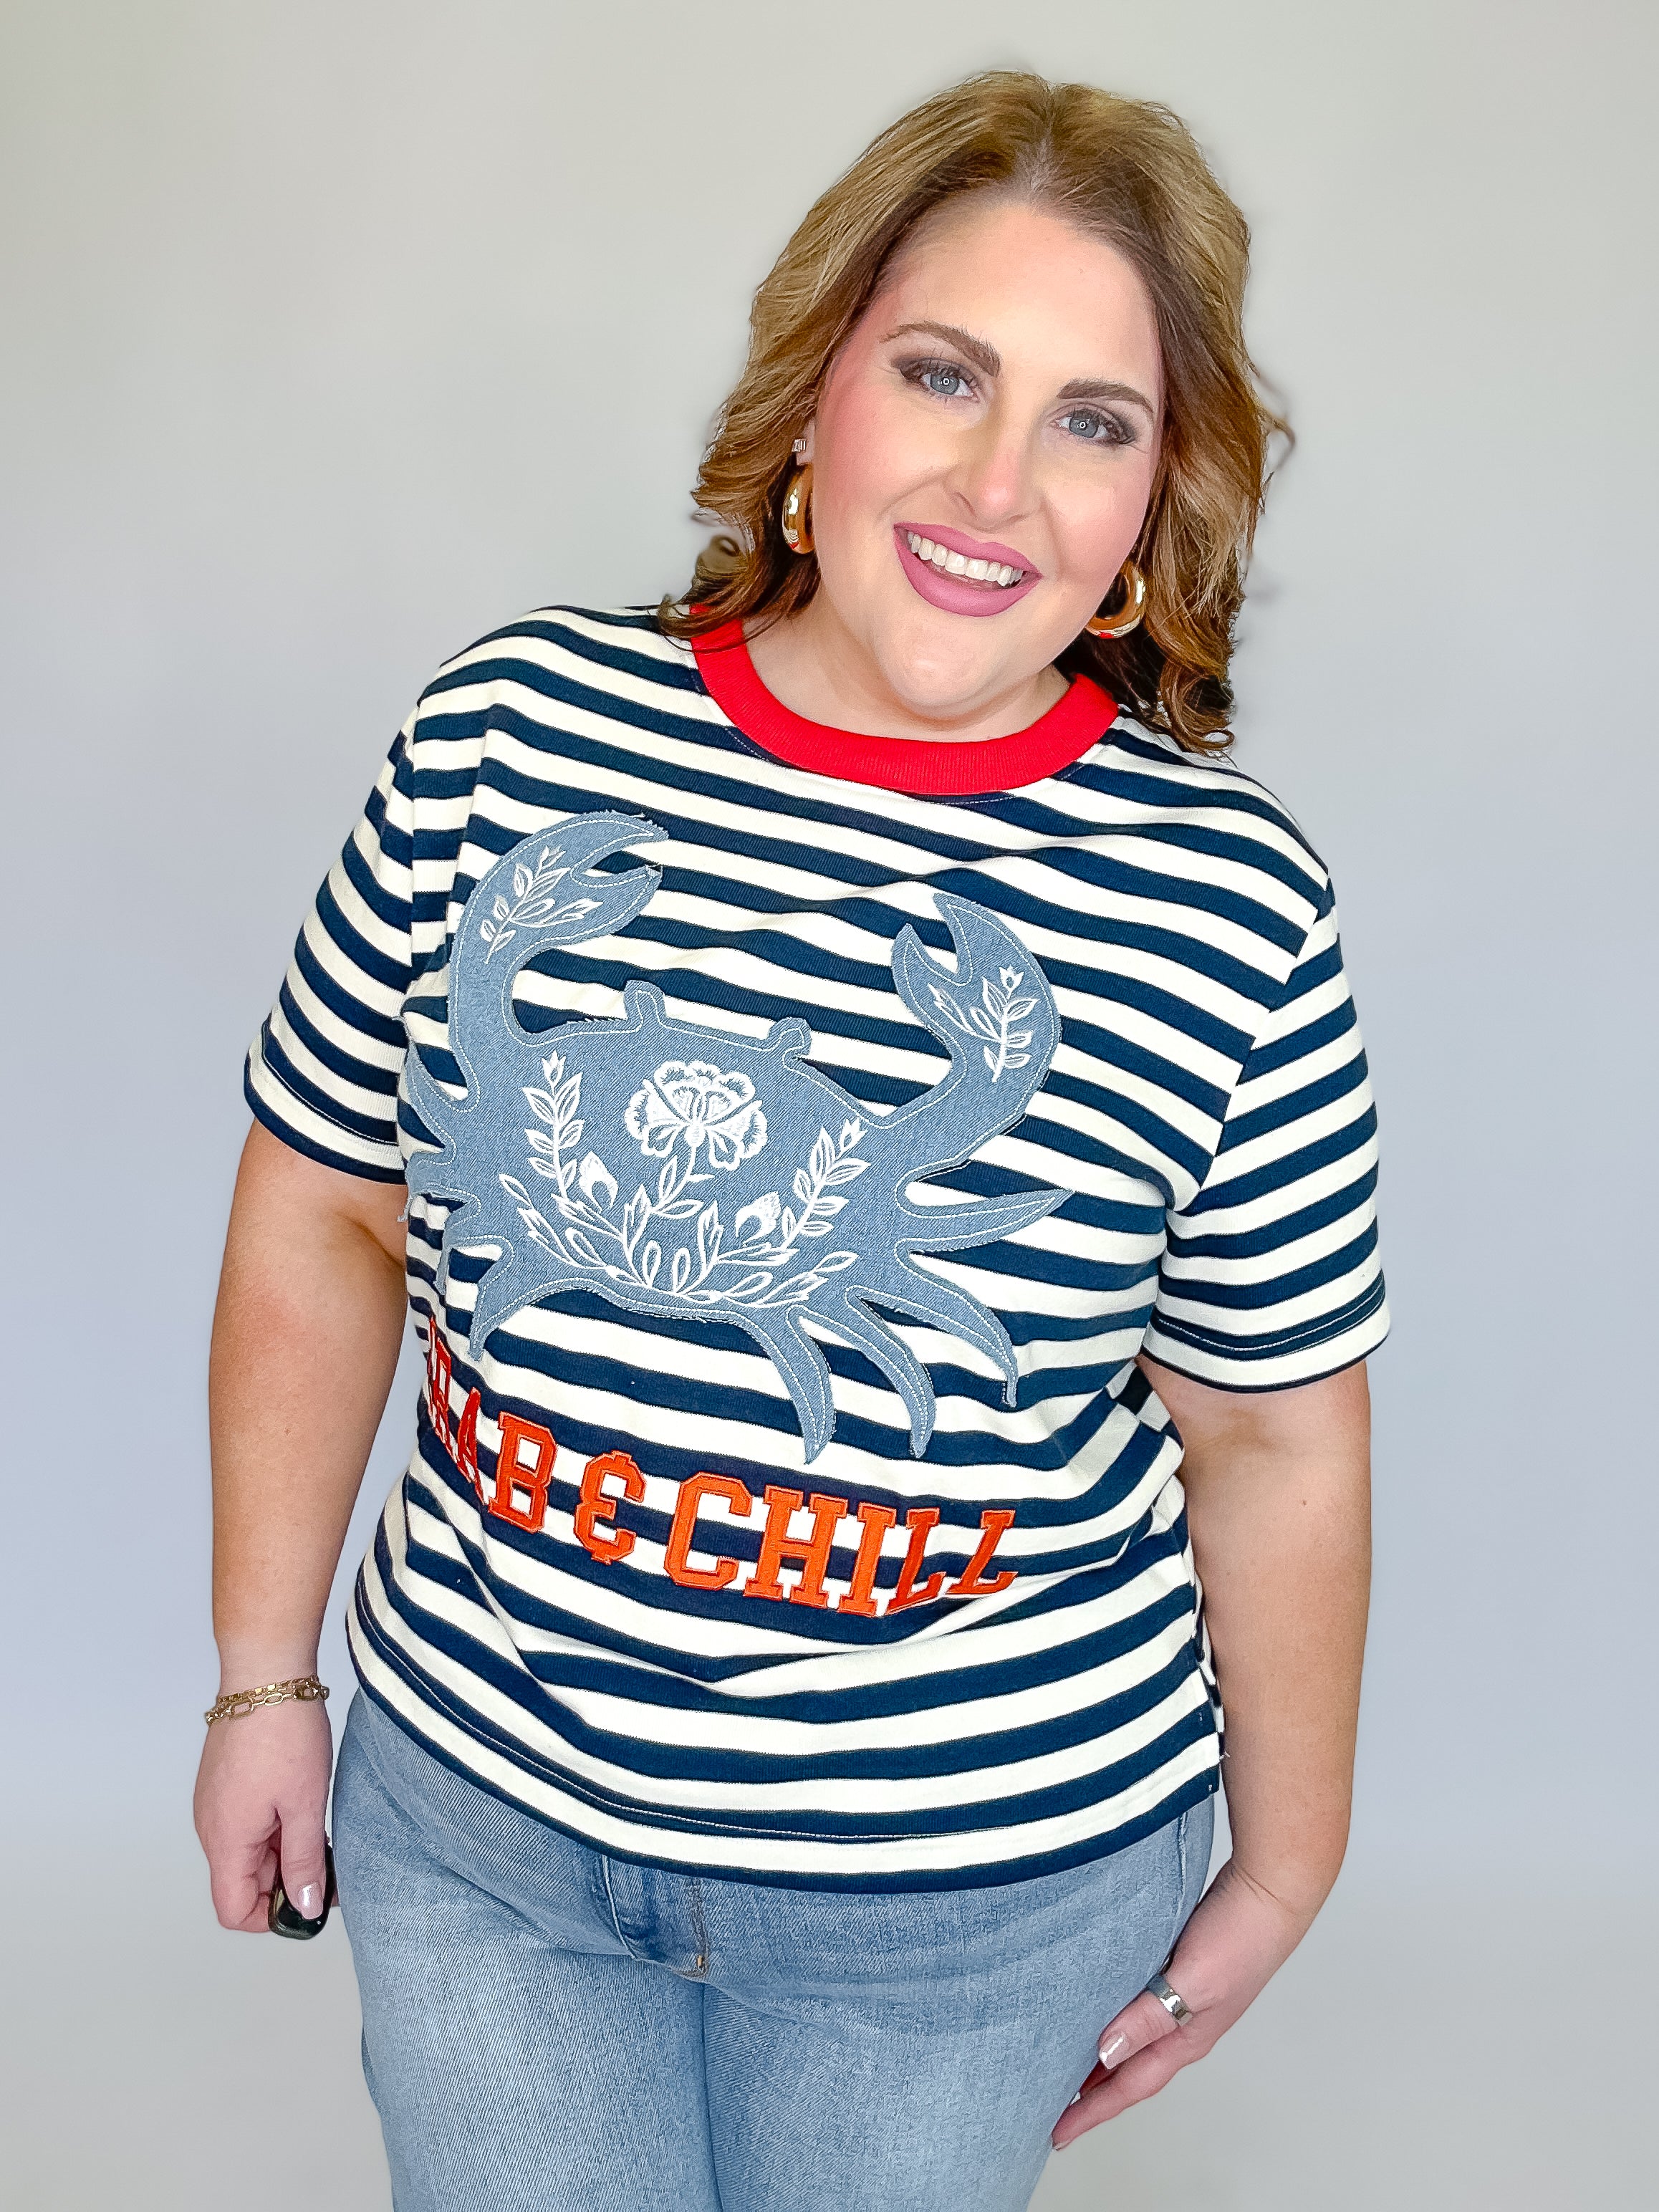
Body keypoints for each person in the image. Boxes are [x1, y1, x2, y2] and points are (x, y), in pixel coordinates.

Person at [194, 69, 1385, 2212]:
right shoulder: (506, 739)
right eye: (941, 373)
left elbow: (1272, 1425)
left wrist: (1290, 1862)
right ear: (812, 396)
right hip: (481, 1833)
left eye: (1091, 420)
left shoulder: (1228, 904)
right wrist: (263, 1678)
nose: (995, 482)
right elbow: (325, 1212)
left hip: (966, 1903)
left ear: (1153, 510)